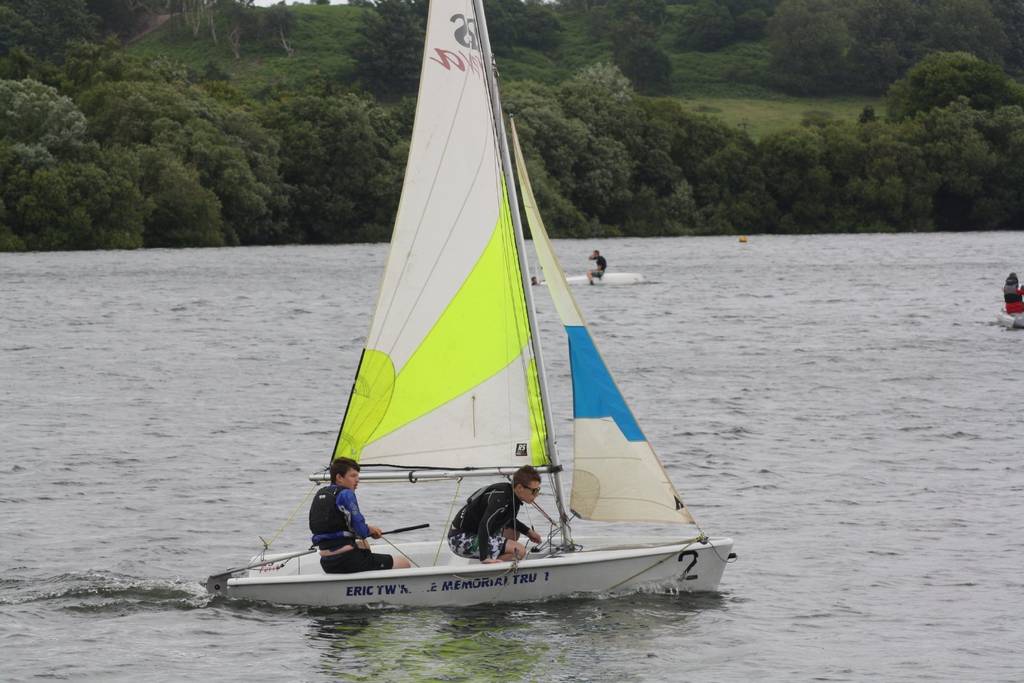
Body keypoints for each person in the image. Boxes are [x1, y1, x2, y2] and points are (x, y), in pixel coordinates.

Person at [309, 457, 411, 574]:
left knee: (363, 544)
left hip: (327, 562)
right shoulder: (346, 494)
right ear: (339, 477)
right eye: (353, 476)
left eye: (357, 476)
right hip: (348, 560)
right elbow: (361, 531)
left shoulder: (321, 494)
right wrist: (371, 530)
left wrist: (367, 530)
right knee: (404, 563)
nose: (357, 480)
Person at [448, 465, 543, 563]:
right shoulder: (501, 498)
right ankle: (487, 567)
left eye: (538, 490)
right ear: (519, 487)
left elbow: (508, 520)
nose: (536, 495)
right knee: (519, 551)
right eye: (534, 491)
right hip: (460, 539)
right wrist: (484, 557)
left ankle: (494, 558)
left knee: (513, 531)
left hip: (476, 533)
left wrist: (528, 532)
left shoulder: (512, 495)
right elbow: (485, 524)